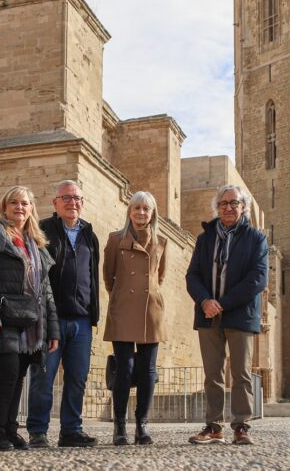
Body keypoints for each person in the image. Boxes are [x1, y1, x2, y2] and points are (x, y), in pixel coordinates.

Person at [0, 186, 60, 451]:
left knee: (19, 374)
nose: (19, 207)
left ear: (31, 208)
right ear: (5, 206)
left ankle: (10, 430)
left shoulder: (37, 244)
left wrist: (52, 331)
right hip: (4, 316)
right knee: (7, 373)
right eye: (14, 203)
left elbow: (46, 290)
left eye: (24, 203)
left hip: (31, 321)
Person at [185, 184, 268, 446]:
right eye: (223, 204)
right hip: (208, 315)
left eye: (234, 203)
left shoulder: (256, 238)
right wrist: (205, 300)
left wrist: (223, 303)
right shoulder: (205, 238)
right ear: (217, 208)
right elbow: (193, 275)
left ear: (243, 207)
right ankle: (214, 426)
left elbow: (258, 278)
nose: (229, 207)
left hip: (240, 315)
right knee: (212, 374)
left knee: (241, 374)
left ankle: (241, 426)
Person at [26, 180, 100, 449]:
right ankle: (37, 430)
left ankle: (71, 430)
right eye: (66, 198)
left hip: (81, 320)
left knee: (77, 378)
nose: (72, 202)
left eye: (77, 198)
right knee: (43, 377)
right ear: (55, 203)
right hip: (50, 319)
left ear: (82, 202)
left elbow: (93, 276)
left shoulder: (90, 236)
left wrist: (94, 315)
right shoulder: (43, 230)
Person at [103, 191, 167, 446]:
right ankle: (120, 425)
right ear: (129, 211)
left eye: (146, 209)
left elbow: (159, 277)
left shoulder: (161, 241)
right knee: (124, 369)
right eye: (136, 208)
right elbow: (108, 276)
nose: (141, 213)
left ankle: (142, 425)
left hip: (151, 310)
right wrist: (120, 297)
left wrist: (148, 295)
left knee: (148, 370)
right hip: (123, 308)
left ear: (152, 213)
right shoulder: (115, 239)